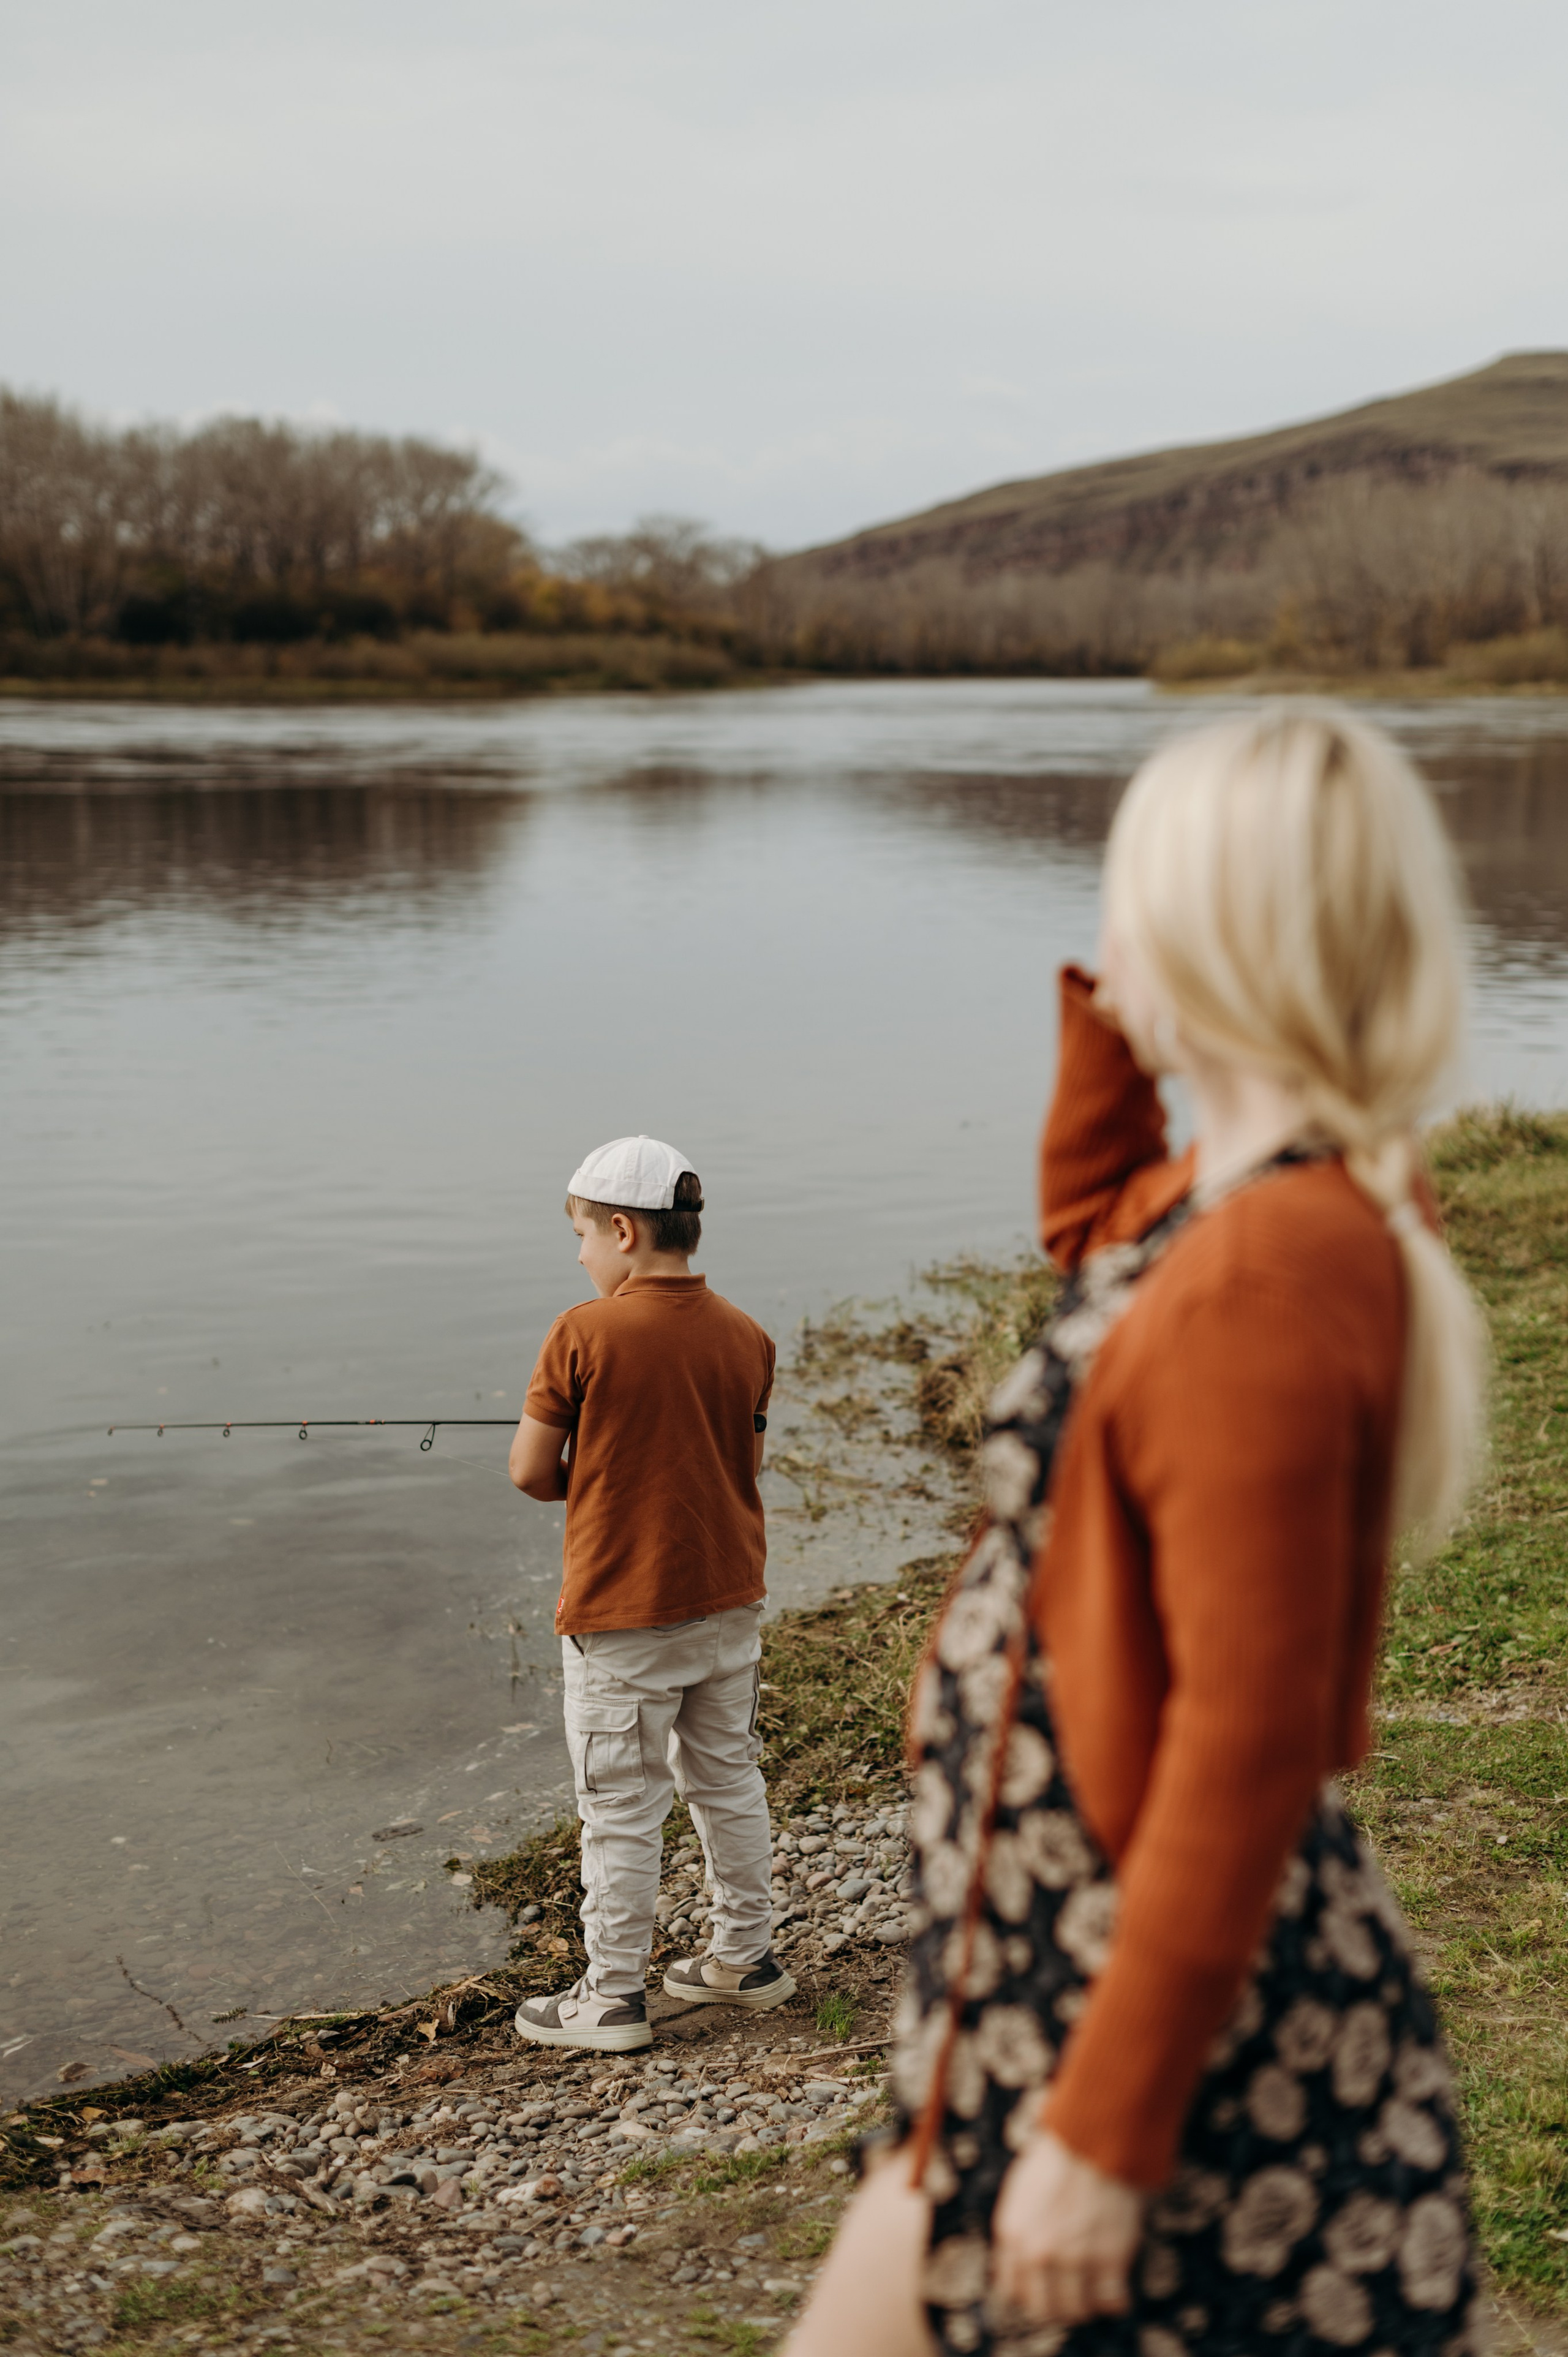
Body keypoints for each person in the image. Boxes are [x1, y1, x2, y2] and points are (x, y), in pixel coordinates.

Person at [788, 707, 1487, 2357]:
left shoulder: (1281, 1256)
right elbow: (1086, 1221)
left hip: (1147, 1995)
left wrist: (1104, 2135)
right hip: (1022, 1952)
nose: (1099, 946)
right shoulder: (1223, 1207)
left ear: (1211, 928)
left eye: (1126, 902)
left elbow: (1248, 1735)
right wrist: (1124, 1016)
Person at [508, 1133, 796, 2054]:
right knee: (726, 1778)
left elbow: (528, 1472)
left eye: (584, 1235)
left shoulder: (582, 1333)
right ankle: (744, 1961)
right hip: (728, 1602)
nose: (580, 1254)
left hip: (622, 1617)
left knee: (621, 1807)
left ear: (624, 1231)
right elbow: (737, 1464)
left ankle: (614, 1998)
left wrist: (583, 1474)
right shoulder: (749, 1337)